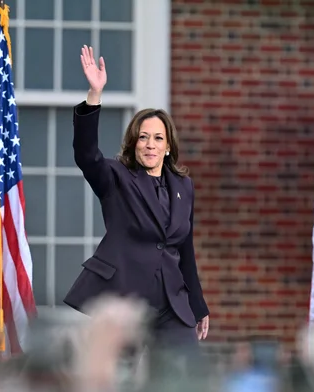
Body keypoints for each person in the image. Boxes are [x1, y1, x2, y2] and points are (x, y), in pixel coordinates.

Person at [64, 45, 210, 353]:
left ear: (168, 146)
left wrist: (198, 305)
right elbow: (86, 155)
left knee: (185, 376)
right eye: (143, 137)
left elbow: (185, 249)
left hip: (172, 304)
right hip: (124, 302)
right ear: (133, 143)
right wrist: (94, 95)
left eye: (158, 138)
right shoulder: (116, 177)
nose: (150, 145)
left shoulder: (184, 186)